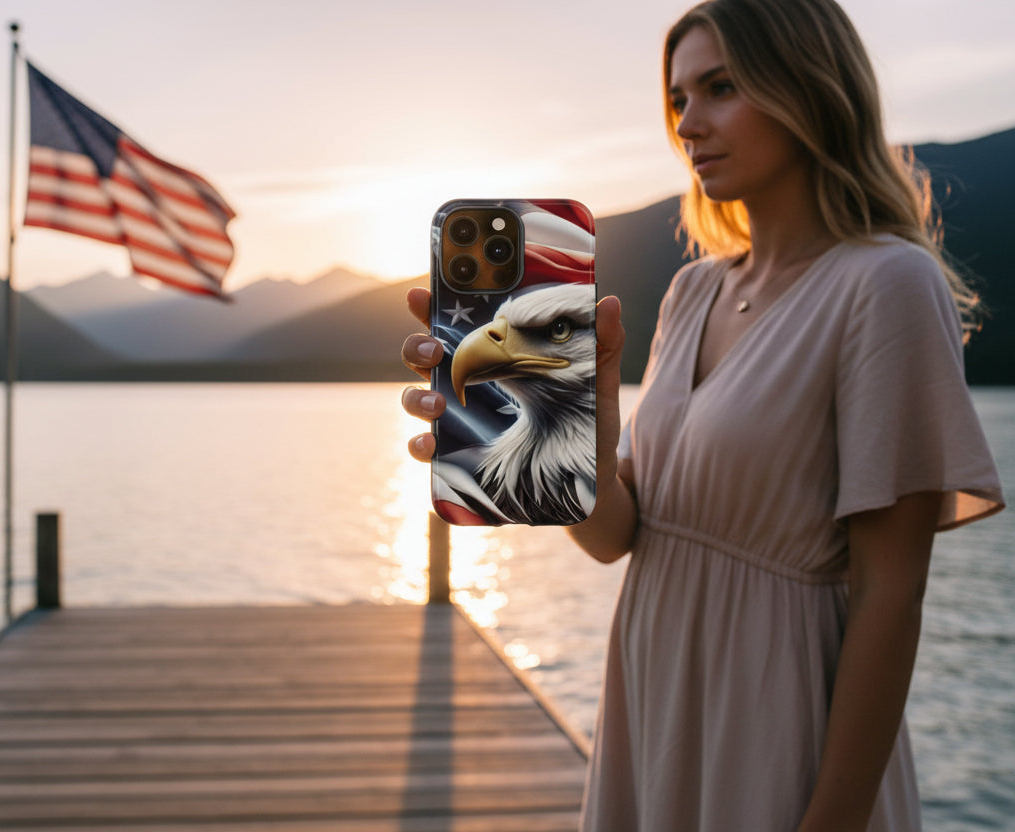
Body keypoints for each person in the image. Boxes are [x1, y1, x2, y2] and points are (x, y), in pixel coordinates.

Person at [400, 0, 1005, 829]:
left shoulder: (886, 284)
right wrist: (560, 427)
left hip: (778, 723)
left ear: (809, 88)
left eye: (720, 88)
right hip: (653, 704)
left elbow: (889, 598)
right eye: (678, 98)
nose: (687, 124)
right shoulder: (693, 290)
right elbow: (616, 537)